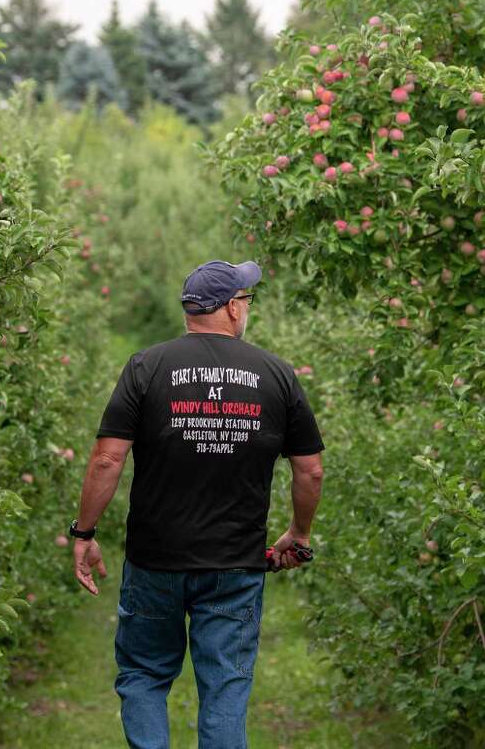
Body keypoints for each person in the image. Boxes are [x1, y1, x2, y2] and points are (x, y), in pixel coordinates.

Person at [68, 259, 325, 749]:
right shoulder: (277, 374)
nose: (247, 307)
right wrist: (300, 532)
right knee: (225, 687)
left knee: (143, 674)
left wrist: (85, 532)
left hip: (155, 561)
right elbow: (309, 469)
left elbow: (107, 460)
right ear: (231, 307)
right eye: (247, 299)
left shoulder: (146, 366)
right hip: (235, 564)